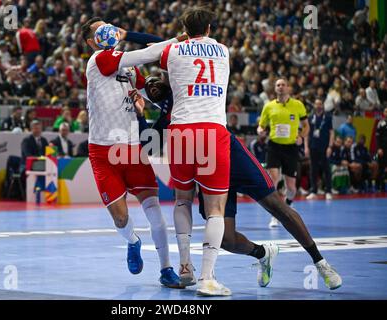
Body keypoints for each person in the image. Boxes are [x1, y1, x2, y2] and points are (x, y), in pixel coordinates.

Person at [131, 70, 342, 291]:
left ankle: (320, 262)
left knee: (277, 207)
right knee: (226, 239)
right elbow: (150, 146)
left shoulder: (183, 89)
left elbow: (171, 54)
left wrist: (133, 49)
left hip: (230, 155)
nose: (154, 88)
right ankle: (263, 253)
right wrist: (139, 115)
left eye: (157, 83)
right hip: (208, 165)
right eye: (151, 88)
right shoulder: (166, 117)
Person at [81, 17, 186, 288]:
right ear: (92, 41)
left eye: (110, 27)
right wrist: (177, 40)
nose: (110, 31)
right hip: (103, 151)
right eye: (100, 30)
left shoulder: (128, 67)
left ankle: (166, 269)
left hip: (132, 150)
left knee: (154, 210)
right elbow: (148, 51)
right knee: (120, 216)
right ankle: (133, 241)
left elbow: (148, 93)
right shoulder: (98, 61)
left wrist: (169, 98)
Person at [156, 8, 235, 296]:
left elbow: (159, 58)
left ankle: (185, 268)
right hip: (212, 130)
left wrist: (180, 39)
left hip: (181, 131)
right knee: (215, 209)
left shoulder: (173, 51)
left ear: (184, 29)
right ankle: (207, 278)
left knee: (182, 200)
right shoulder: (224, 51)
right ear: (211, 27)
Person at [257, 78, 310, 228]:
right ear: (275, 89)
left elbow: (306, 126)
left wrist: (301, 137)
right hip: (274, 146)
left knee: (291, 187)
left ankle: (287, 205)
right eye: (278, 85)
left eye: (283, 85)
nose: (280, 87)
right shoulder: (269, 106)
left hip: (291, 148)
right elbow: (261, 126)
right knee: (273, 179)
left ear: (288, 88)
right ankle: (275, 214)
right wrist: (260, 131)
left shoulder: (297, 105)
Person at [305, 99, 334, 200]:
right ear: (314, 105)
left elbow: (331, 132)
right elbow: (307, 133)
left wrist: (330, 146)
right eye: (316, 104)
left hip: (325, 147)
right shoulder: (310, 117)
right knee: (313, 170)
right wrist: (306, 147)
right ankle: (313, 191)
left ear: (323, 105)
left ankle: (328, 191)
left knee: (326, 169)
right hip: (313, 147)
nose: (318, 105)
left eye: (320, 104)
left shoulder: (328, 117)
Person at [375, 107, 387, 191]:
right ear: (384, 113)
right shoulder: (381, 123)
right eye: (386, 111)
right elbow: (377, 137)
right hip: (382, 149)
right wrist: (379, 148)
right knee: (381, 168)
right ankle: (379, 186)